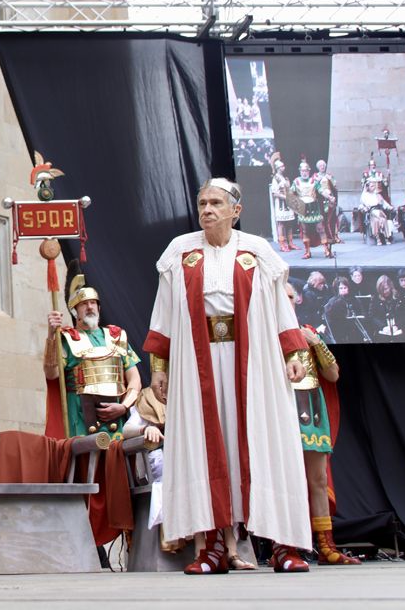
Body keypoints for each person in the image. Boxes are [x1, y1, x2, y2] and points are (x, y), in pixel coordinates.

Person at [143, 178, 311, 575]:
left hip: (256, 363)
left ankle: (283, 548)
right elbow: (163, 313)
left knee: (266, 442)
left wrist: (293, 352)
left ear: (236, 210)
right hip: (196, 362)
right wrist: (160, 367)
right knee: (203, 447)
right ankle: (214, 548)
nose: (207, 210)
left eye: (216, 203)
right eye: (202, 203)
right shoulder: (179, 252)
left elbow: (281, 309)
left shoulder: (259, 250)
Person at [283, 285, 359, 565]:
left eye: (290, 296)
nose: (287, 300)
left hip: (311, 411)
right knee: (285, 481)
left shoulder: (309, 331)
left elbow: (333, 374)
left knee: (318, 479)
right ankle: (286, 546)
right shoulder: (266, 334)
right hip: (281, 410)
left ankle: (327, 547)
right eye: (282, 295)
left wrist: (315, 342)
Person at [44, 273, 143, 438]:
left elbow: (135, 379)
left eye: (93, 303)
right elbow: (51, 373)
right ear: (75, 312)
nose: (90, 307)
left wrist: (124, 406)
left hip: (115, 417)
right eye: (83, 304)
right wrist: (51, 336)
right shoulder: (66, 338)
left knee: (114, 461)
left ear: (99, 308)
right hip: (80, 416)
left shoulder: (117, 336)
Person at [293, 160, 331, 259]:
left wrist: (329, 197)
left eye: (306, 171)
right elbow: (291, 194)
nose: (304, 172)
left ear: (309, 171)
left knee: (320, 229)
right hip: (303, 208)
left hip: (314, 207)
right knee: (305, 231)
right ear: (300, 171)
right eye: (302, 171)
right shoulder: (296, 181)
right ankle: (307, 251)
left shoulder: (314, 181)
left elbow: (321, 190)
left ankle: (326, 250)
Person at [324, 277, 366, 344]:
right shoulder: (332, 302)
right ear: (337, 289)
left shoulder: (354, 300)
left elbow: (361, 313)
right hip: (340, 332)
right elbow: (330, 320)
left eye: (345, 288)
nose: (343, 290)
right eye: (341, 288)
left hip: (354, 331)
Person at [270, 155, 296, 251]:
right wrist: (285, 197)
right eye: (281, 166)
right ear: (277, 168)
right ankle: (282, 244)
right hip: (281, 204)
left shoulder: (285, 177)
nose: (283, 168)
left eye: (283, 166)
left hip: (287, 203)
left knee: (289, 222)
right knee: (281, 223)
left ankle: (290, 243)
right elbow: (275, 193)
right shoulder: (275, 179)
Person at [313, 160, 341, 245]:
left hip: (329, 200)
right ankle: (323, 237)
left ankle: (333, 236)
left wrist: (331, 181)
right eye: (320, 166)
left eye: (323, 165)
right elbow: (313, 187)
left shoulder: (329, 176)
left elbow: (335, 186)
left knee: (332, 218)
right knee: (322, 219)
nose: (322, 167)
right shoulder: (315, 176)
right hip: (320, 200)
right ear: (318, 167)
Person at [359, 179, 394, 245]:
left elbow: (385, 204)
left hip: (379, 210)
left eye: (374, 186)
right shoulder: (365, 196)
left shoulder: (377, 195)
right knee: (376, 220)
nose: (374, 187)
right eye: (372, 186)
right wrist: (364, 208)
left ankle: (386, 238)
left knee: (383, 220)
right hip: (372, 212)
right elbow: (361, 206)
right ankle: (378, 239)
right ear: (367, 187)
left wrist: (390, 207)